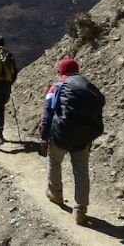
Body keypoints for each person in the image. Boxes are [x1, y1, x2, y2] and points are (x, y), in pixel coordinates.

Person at [39, 58, 106, 226]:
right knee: (81, 171)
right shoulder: (87, 87)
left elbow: (47, 114)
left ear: (61, 72)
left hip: (61, 135)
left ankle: (56, 193)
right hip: (83, 138)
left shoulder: (56, 87)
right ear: (77, 70)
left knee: (54, 161)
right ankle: (80, 210)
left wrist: (44, 137)